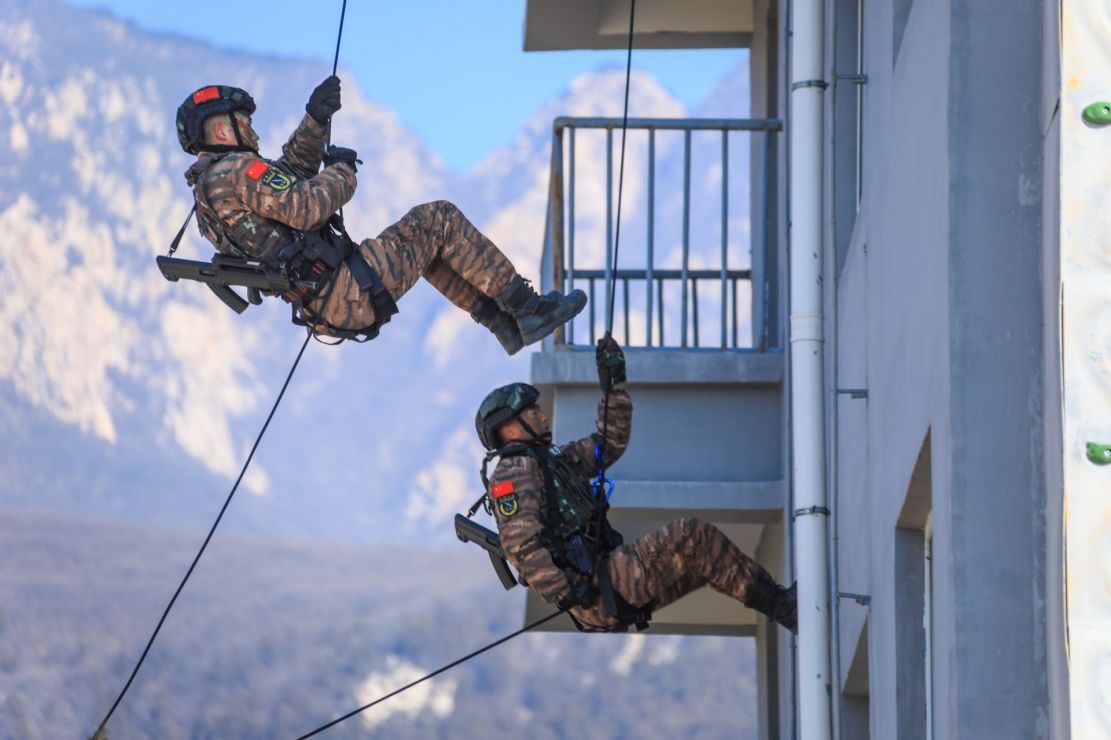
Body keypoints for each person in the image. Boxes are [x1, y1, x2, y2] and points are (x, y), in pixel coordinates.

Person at [174, 77, 585, 350]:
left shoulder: (211, 189)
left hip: (327, 302)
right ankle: (527, 309)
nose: (253, 131)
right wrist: (343, 170)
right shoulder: (239, 171)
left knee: (428, 246)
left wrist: (315, 121)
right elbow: (305, 206)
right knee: (438, 218)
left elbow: (291, 175)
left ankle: (504, 324)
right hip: (343, 286)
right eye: (244, 122)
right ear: (223, 131)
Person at [473, 336, 798, 633]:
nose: (543, 417)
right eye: (532, 412)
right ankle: (785, 609)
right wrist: (569, 590)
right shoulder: (514, 471)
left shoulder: (551, 460)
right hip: (597, 590)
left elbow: (608, 444)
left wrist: (613, 388)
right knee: (693, 534)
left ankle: (783, 606)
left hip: (607, 576)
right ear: (508, 427)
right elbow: (521, 547)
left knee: (706, 559)